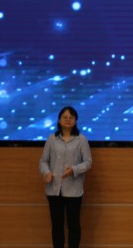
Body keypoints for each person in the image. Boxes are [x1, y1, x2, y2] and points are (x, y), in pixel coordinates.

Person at [39, 106, 93, 248]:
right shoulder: (51, 139)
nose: (68, 120)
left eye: (71, 117)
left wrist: (74, 170)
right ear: (59, 120)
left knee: (73, 225)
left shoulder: (81, 139)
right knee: (57, 226)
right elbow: (43, 161)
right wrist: (46, 172)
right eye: (65, 117)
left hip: (74, 190)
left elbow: (88, 162)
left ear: (75, 121)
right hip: (54, 189)